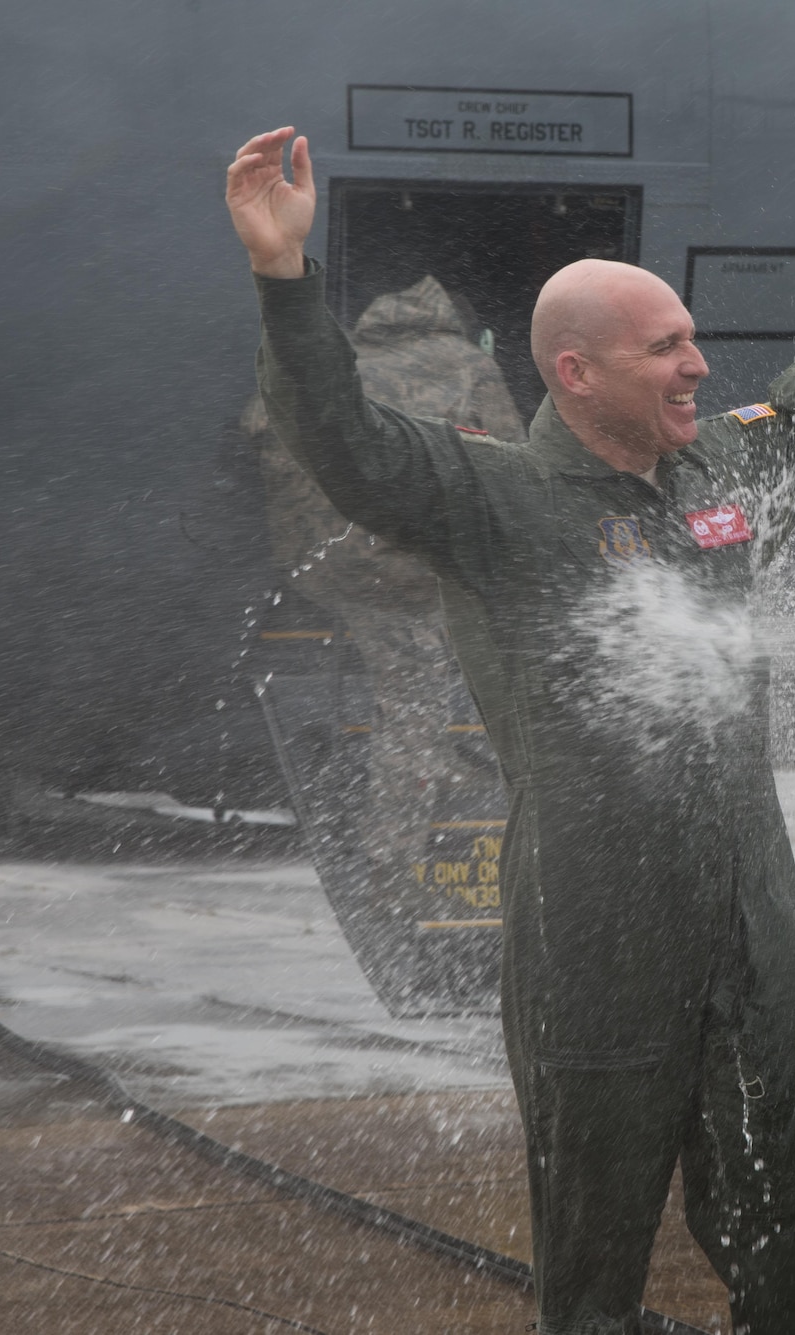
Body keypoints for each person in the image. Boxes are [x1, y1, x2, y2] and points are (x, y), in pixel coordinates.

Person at [226, 80, 795, 1335]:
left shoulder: (726, 467)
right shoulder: (490, 502)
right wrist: (282, 275)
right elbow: (345, 439)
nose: (698, 363)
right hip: (595, 937)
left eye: (692, 340)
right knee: (591, 1268)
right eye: (665, 349)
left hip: (753, 918)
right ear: (575, 373)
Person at [244, 276, 523, 1004]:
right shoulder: (468, 363)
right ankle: (395, 866)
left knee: (415, 673)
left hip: (323, 567)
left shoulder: (339, 363)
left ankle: (439, 786)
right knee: (426, 692)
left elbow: (258, 429)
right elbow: (516, 467)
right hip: (407, 567)